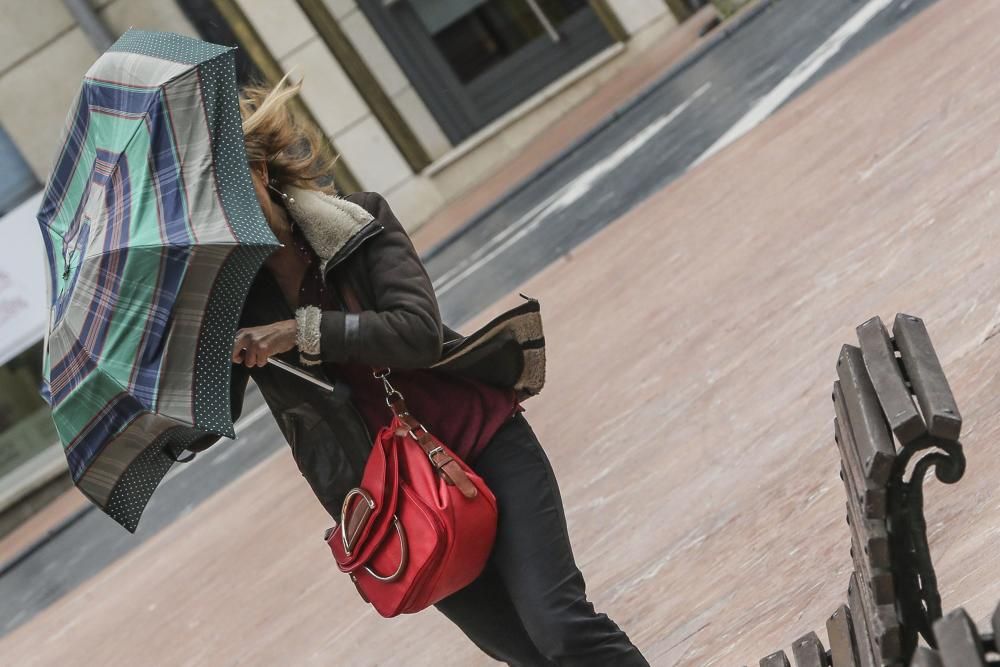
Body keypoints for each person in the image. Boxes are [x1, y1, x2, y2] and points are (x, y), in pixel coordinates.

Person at [216, 76, 650, 667]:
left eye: (235, 191)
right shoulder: (235, 303)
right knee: (523, 653)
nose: (232, 215)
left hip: (482, 443)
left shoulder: (357, 223)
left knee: (560, 629)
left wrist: (301, 331)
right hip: (397, 499)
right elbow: (200, 409)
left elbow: (416, 331)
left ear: (262, 171)